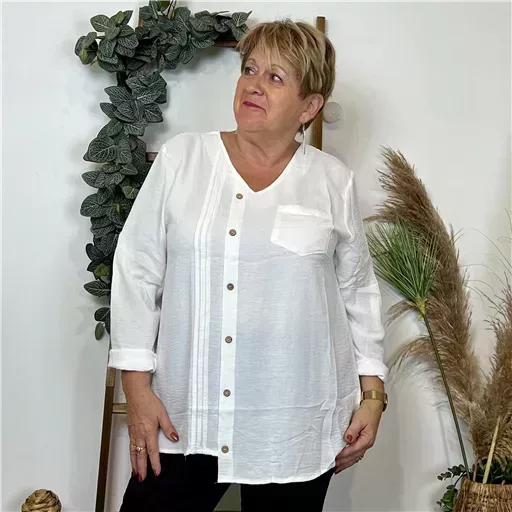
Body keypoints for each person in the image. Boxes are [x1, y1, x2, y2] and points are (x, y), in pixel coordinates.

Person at [109, 19, 389, 512]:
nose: (254, 85)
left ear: (309, 107)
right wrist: (137, 389)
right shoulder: (182, 160)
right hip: (185, 414)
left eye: (275, 78)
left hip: (294, 421)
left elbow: (357, 291)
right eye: (250, 70)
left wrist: (373, 396)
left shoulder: (332, 181)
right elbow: (137, 270)